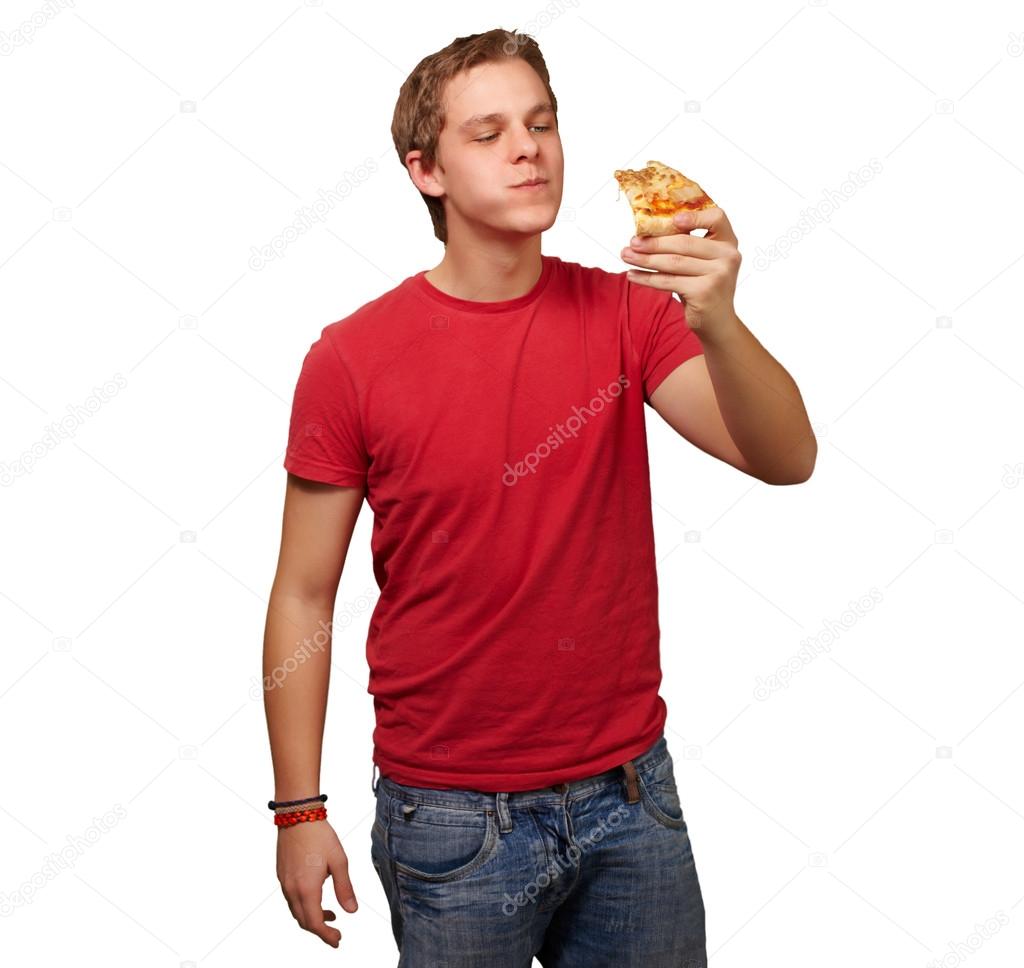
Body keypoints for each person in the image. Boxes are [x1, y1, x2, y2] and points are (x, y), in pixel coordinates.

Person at [263, 26, 816, 967]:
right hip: (450, 815)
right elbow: (304, 593)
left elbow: (784, 456)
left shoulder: (633, 315)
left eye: (543, 123)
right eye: (489, 133)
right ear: (424, 171)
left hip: (632, 800)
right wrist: (297, 808)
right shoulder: (350, 359)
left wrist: (717, 318)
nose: (529, 147)